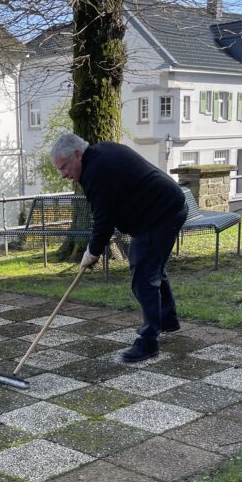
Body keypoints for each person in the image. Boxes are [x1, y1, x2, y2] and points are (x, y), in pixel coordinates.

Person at [51, 132, 188, 363]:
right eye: (59, 170)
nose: (63, 174)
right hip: (163, 210)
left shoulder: (97, 171)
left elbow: (104, 221)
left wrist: (92, 253)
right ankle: (167, 320)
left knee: (144, 276)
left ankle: (149, 342)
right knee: (151, 269)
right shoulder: (101, 153)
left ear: (77, 154)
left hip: (162, 214)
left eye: (64, 167)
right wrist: (93, 251)